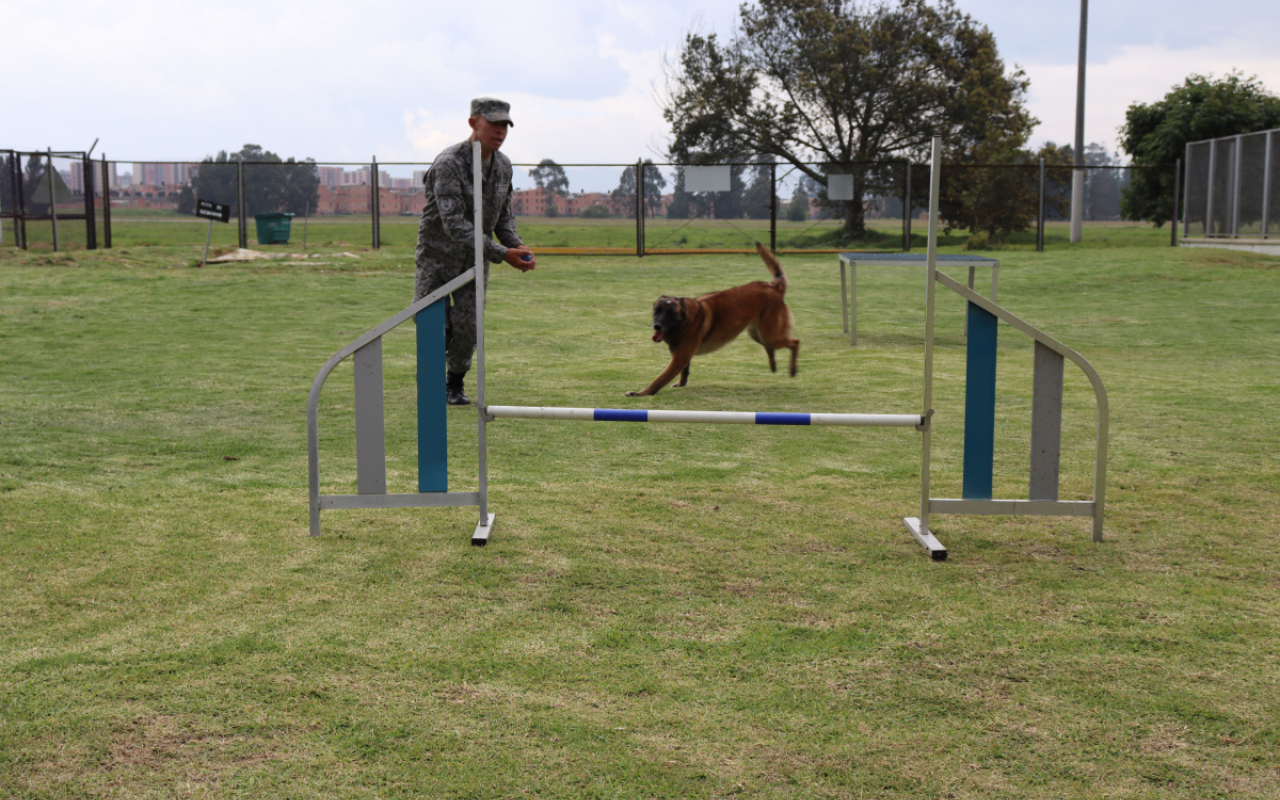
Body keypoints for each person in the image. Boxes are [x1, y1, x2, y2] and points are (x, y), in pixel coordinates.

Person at [415, 97, 536, 405]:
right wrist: (501, 254)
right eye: (493, 123)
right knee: (432, 326)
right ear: (473, 123)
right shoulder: (448, 164)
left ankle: (454, 384)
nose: (500, 131)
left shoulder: (504, 166)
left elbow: (503, 216)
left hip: (475, 262)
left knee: (469, 329)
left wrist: (515, 245)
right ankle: (430, 376)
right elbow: (454, 225)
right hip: (437, 259)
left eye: (504, 125)